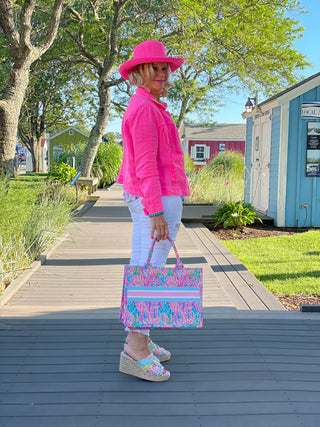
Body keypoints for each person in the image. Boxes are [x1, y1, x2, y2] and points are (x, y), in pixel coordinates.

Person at [117, 40, 190, 382]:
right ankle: (136, 348)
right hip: (155, 197)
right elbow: (146, 166)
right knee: (150, 272)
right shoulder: (146, 109)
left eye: (165, 68)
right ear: (139, 73)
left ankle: (141, 335)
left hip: (157, 196)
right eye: (155, 68)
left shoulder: (150, 105)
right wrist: (156, 211)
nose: (162, 73)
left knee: (145, 268)